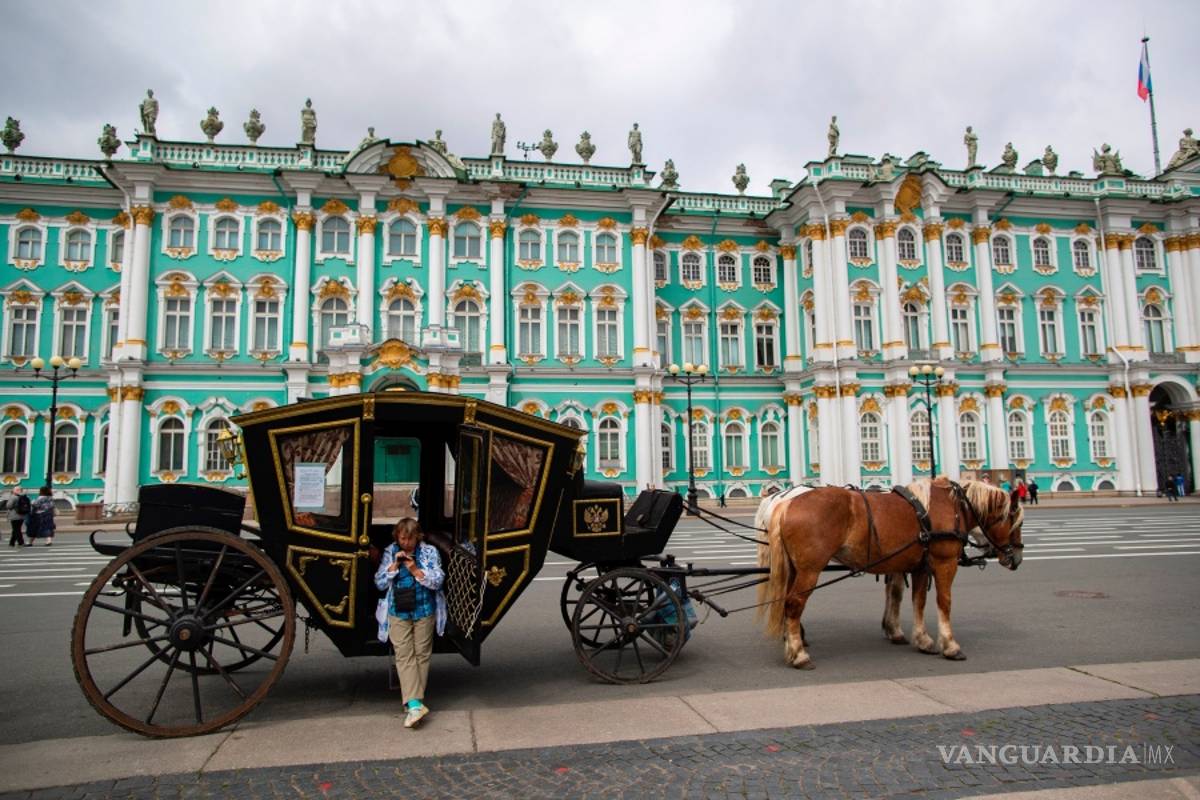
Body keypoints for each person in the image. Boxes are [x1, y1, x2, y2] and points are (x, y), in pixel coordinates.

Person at [374, 518, 444, 728]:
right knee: (404, 655)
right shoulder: (390, 552)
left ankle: (414, 703)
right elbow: (379, 582)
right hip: (398, 611)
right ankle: (414, 704)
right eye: (402, 539)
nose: (406, 543)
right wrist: (394, 565)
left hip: (424, 609)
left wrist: (415, 570)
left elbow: (438, 580)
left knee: (421, 654)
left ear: (418, 537)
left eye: (410, 539)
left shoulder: (429, 552)